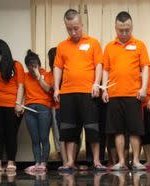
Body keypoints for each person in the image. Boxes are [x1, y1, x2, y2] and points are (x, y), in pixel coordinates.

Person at [53, 9, 105, 171]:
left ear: (82, 24)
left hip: (88, 92)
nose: (73, 32)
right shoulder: (62, 46)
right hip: (68, 92)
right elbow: (57, 68)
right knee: (68, 129)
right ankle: (69, 162)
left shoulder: (93, 43)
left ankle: (96, 161)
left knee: (92, 128)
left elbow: (99, 65)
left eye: (76, 28)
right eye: (69, 29)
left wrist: (96, 83)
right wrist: (56, 88)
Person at [102, 11, 150, 171]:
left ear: (132, 27)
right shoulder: (109, 47)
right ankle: (122, 161)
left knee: (135, 130)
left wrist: (143, 88)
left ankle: (136, 161)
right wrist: (104, 89)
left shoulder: (139, 45)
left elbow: (145, 67)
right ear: (115, 28)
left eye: (127, 30)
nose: (124, 33)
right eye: (121, 30)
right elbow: (106, 70)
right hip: (114, 95)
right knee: (117, 130)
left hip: (133, 94)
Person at [0, 39, 25, 173]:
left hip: (11, 104)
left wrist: (18, 103)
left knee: (11, 134)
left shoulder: (16, 65)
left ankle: (11, 162)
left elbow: (20, 85)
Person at [23, 50, 53, 174]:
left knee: (44, 137)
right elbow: (20, 90)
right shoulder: (25, 76)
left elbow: (48, 89)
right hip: (29, 108)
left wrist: (38, 76)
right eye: (31, 66)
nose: (33, 68)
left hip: (44, 108)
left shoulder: (46, 74)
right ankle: (37, 162)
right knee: (35, 139)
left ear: (39, 64)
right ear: (27, 66)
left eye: (36, 65)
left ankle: (44, 163)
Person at [47, 47, 68, 165]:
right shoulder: (51, 74)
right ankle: (63, 161)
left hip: (69, 106)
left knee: (72, 133)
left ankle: (70, 161)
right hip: (56, 106)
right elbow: (50, 87)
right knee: (58, 134)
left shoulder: (67, 72)